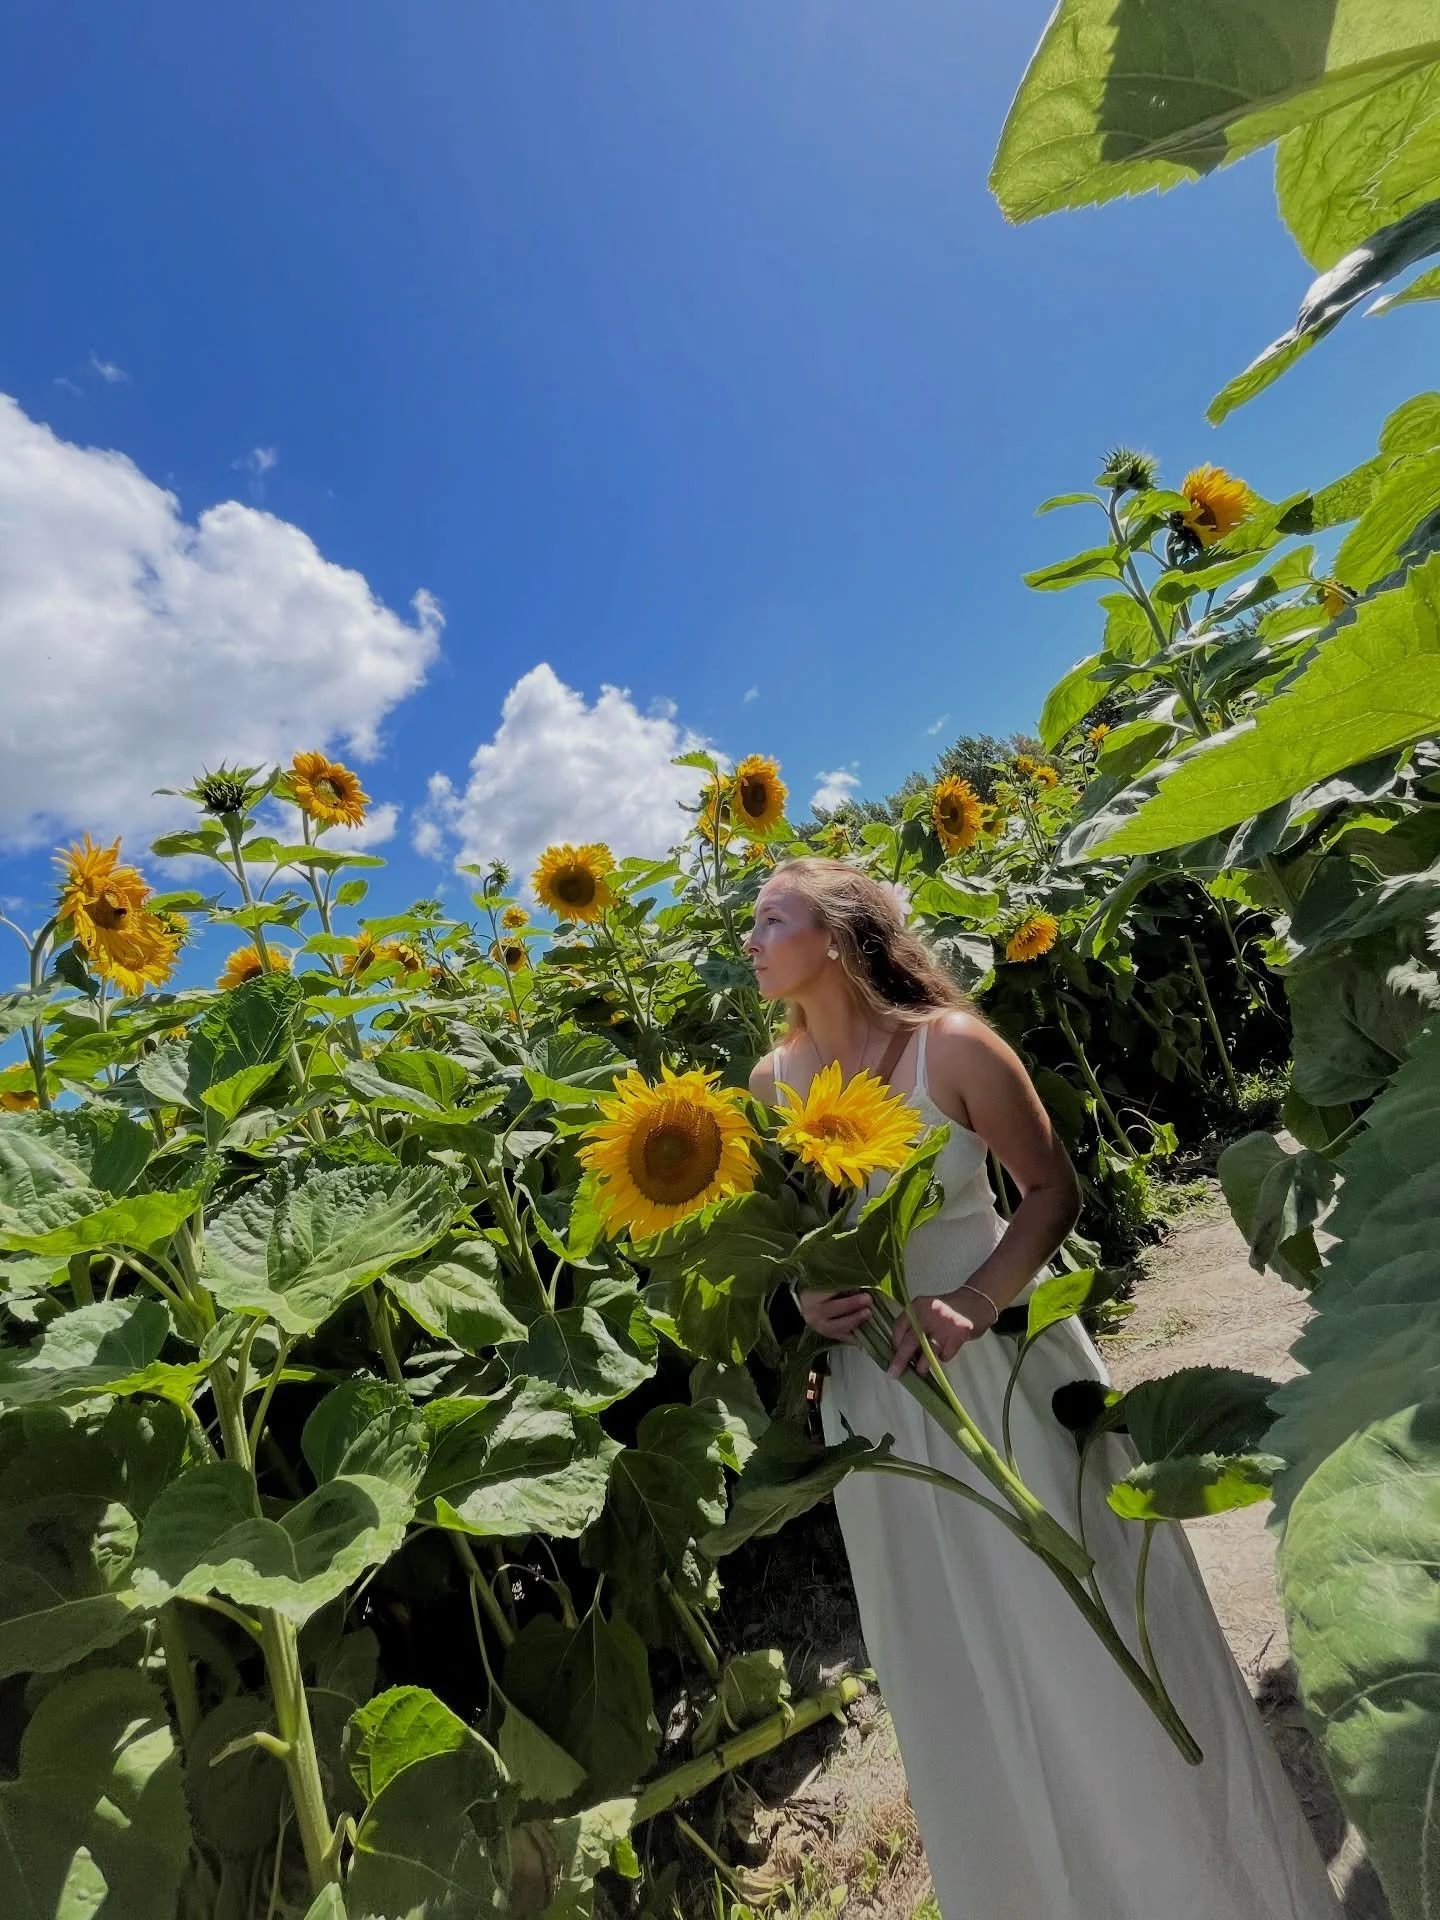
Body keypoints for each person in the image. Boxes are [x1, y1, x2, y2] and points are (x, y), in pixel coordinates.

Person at [745, 857, 1341, 1920]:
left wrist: (974, 1300)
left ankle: (1203, 1886)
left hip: (1004, 1375)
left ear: (834, 938)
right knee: (952, 1664)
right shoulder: (769, 1086)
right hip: (877, 1407)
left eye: (771, 920)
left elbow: (1052, 1189)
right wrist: (803, 1305)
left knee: (1082, 1639)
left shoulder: (951, 1048)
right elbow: (793, 1245)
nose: (751, 940)